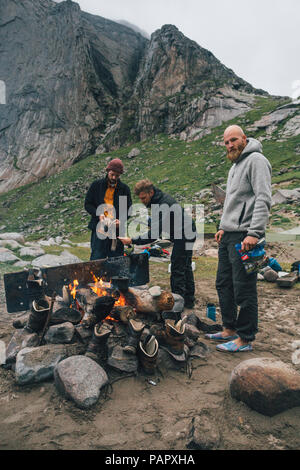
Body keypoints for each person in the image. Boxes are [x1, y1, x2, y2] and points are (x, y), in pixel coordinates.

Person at [205, 125, 272, 353]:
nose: (230, 145)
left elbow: (263, 198)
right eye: (226, 142)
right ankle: (229, 329)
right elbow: (232, 202)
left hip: (246, 235)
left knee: (244, 287)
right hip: (229, 234)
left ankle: (245, 338)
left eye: (233, 140)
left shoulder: (256, 160)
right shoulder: (235, 166)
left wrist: (255, 232)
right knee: (224, 284)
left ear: (244, 138)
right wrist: (223, 227)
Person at [119, 179, 196, 309]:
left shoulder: (162, 204)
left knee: (178, 269)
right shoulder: (158, 201)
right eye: (140, 199)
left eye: (144, 198)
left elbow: (154, 235)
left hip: (184, 235)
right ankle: (189, 301)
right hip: (187, 232)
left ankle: (177, 305)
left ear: (151, 192)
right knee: (186, 267)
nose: (142, 201)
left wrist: (132, 240)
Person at [84, 158, 132, 260]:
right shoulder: (96, 186)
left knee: (116, 259)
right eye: (112, 174)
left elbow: (128, 209)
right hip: (99, 228)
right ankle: (96, 276)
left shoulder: (124, 189)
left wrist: (121, 220)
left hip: (117, 230)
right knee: (97, 258)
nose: (114, 177)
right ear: (107, 171)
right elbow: (88, 204)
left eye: (117, 176)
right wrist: (99, 214)